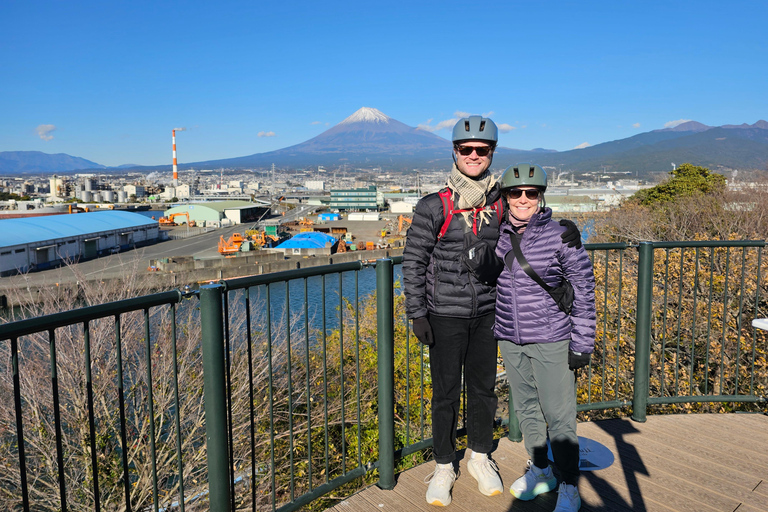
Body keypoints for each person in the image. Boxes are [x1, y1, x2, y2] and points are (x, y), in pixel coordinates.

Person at [402, 116, 582, 507]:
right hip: (444, 314)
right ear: (455, 152)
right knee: (445, 394)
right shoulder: (434, 205)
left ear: (491, 154)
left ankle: (480, 456)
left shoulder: (500, 202)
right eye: (466, 150)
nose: (473, 156)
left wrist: (566, 228)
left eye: (481, 151)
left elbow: (529, 221)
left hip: (488, 313)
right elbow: (413, 261)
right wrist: (417, 312)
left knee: (483, 390)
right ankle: (444, 465)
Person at [493, 163, 596, 512]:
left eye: (531, 193)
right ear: (504, 198)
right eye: (515, 193)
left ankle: (569, 484)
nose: (523, 199)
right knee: (526, 409)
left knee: (560, 413)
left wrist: (582, 342)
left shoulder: (560, 235)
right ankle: (540, 470)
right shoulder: (498, 235)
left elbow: (583, 289)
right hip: (509, 336)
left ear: (541, 196)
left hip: (552, 338)